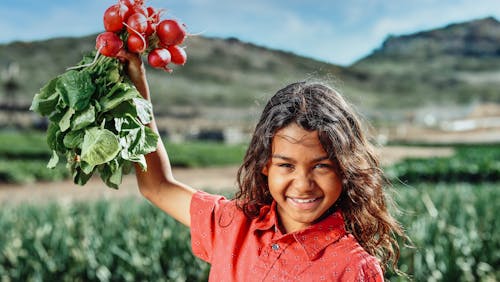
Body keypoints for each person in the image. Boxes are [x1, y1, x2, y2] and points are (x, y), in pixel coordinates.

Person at [119, 50, 407, 281]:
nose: (303, 183)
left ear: (345, 170)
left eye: (321, 166)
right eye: (286, 165)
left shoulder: (352, 269)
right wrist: (137, 89)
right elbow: (156, 185)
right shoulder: (233, 224)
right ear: (265, 165)